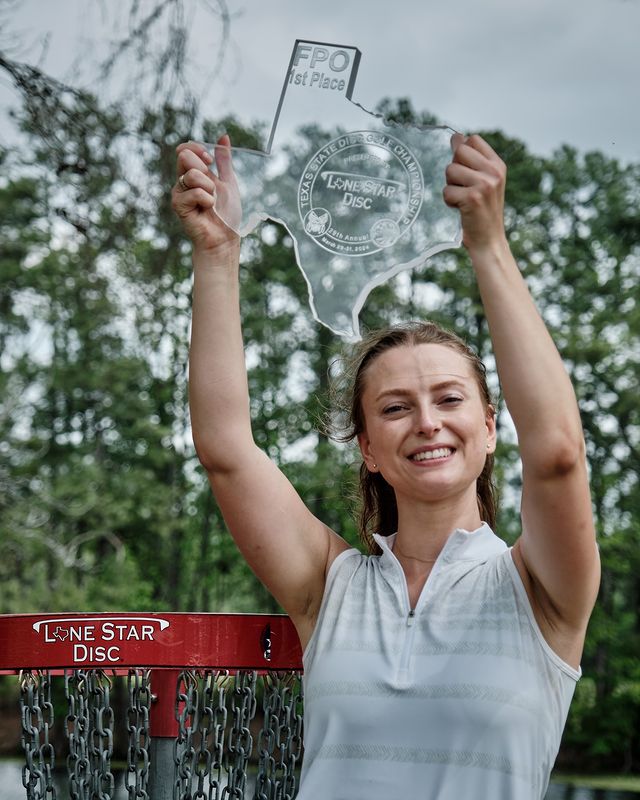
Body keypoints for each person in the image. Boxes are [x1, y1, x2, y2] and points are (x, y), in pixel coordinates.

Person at [172, 132, 600, 800]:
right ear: (368, 449)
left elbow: (558, 455)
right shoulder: (331, 585)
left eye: (450, 400)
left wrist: (487, 244)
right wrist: (218, 254)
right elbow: (226, 451)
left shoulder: (541, 591)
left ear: (488, 429)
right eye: (396, 407)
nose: (428, 422)